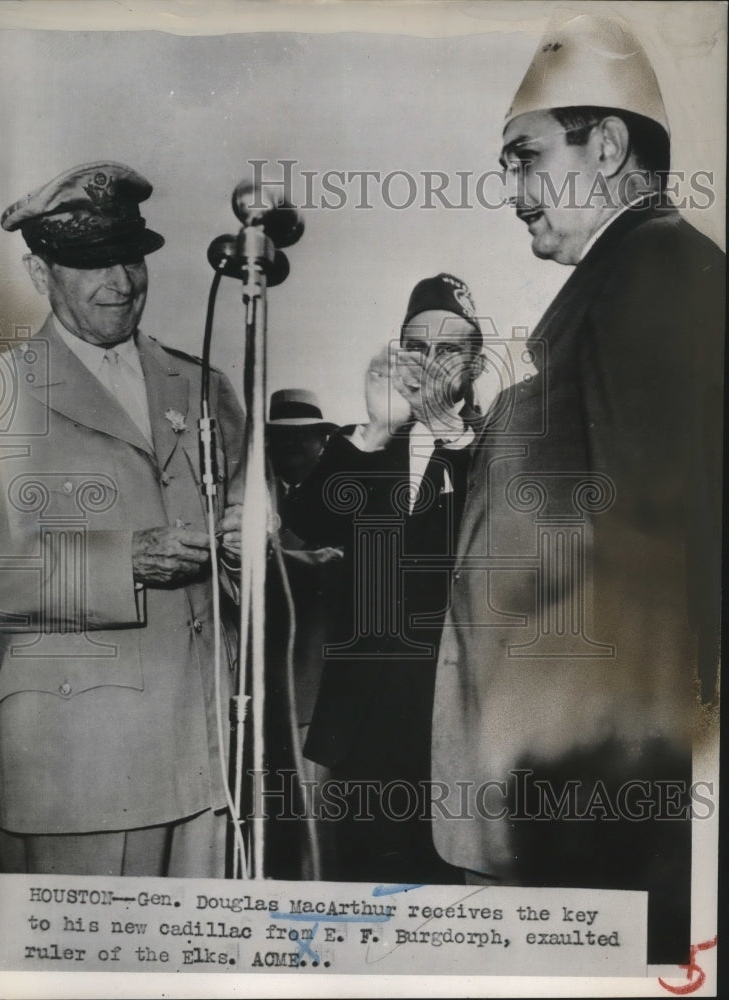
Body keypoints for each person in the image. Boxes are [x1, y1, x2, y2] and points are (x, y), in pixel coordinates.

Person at [430, 13, 724, 963]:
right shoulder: (621, 283)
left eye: (525, 157)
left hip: (602, 807)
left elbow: (665, 571)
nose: (510, 189)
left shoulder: (654, 277)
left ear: (606, 147)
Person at [0, 162, 244, 877]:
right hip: (79, 766)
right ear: (39, 272)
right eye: (92, 264)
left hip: (212, 757)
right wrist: (122, 560)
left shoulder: (204, 383)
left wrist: (257, 545)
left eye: (131, 257)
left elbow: (253, 532)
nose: (121, 283)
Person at [291, 274, 484, 883]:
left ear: (475, 362)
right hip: (367, 724)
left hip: (458, 720)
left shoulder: (496, 448)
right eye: (417, 346)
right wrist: (377, 431)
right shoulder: (370, 444)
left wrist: (450, 439)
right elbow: (308, 521)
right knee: (366, 904)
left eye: (450, 347)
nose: (431, 362)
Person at [263, 389, 342, 879]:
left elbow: (341, 561)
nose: (290, 450)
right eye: (278, 440)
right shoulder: (257, 497)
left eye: (303, 439)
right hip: (266, 690)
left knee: (319, 823)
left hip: (319, 691)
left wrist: (269, 557)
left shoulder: (339, 494)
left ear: (321, 441)